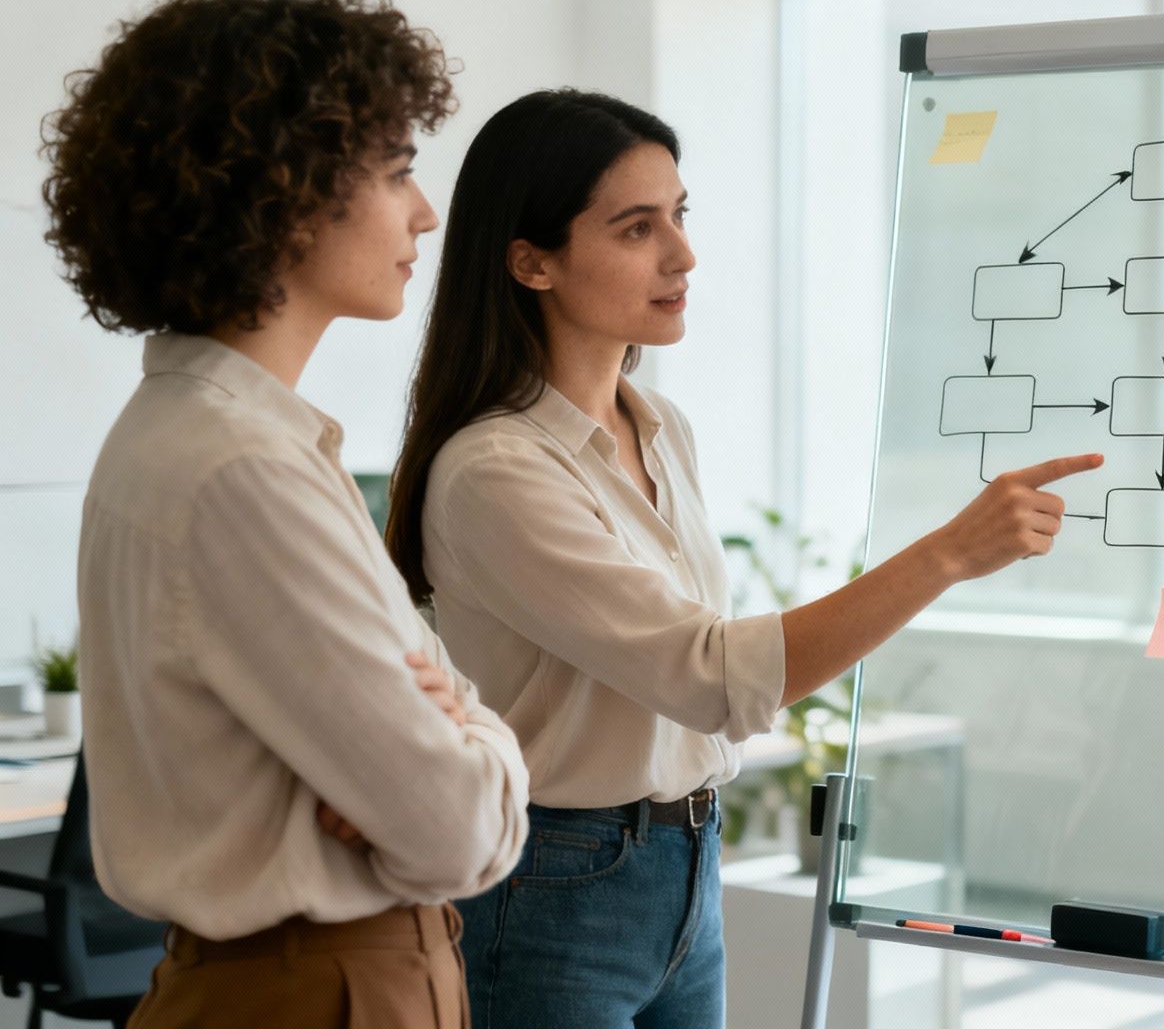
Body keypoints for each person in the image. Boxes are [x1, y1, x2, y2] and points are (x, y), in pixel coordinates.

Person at [381, 88, 1100, 1028]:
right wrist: (949, 555)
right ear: (532, 262)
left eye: (679, 216)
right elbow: (708, 676)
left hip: (687, 865)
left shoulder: (658, 425)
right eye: (637, 228)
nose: (682, 254)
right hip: (556, 887)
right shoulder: (494, 469)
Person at [47, 0, 530, 1027]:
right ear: (287, 185)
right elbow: (454, 831)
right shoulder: (241, 469)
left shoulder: (201, 435)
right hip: (321, 987)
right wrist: (481, 748)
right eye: (398, 169)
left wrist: (461, 732)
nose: (426, 210)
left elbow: (437, 772)